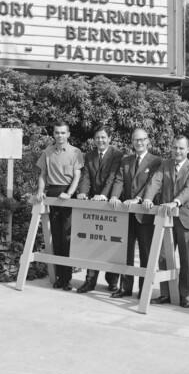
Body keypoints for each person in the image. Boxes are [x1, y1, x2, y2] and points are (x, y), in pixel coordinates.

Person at [142, 135, 189, 309]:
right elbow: (155, 182)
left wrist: (175, 202)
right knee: (163, 257)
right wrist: (148, 198)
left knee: (185, 260)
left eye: (181, 148)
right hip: (167, 217)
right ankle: (165, 294)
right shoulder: (165, 164)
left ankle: (183, 295)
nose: (177, 151)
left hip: (186, 218)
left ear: (188, 150)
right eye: (175, 147)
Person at [108, 128, 162, 299]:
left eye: (142, 139)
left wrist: (138, 199)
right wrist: (115, 196)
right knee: (125, 252)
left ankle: (143, 290)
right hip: (126, 214)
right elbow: (119, 180)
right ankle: (125, 287)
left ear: (148, 141)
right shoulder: (126, 160)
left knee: (146, 254)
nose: (139, 143)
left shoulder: (156, 161)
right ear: (132, 142)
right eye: (135, 140)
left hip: (144, 214)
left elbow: (152, 185)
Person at [35, 121, 83, 291]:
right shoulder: (47, 152)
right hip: (52, 194)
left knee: (68, 238)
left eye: (63, 133)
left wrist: (69, 193)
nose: (60, 136)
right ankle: (58, 278)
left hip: (68, 195)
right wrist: (41, 190)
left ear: (68, 134)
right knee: (56, 238)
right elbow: (43, 174)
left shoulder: (76, 152)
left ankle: (67, 279)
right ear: (53, 134)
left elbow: (77, 177)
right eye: (57, 133)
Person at [76, 125, 123, 294]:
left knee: (112, 244)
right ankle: (90, 281)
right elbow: (86, 176)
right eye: (97, 137)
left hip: (111, 203)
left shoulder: (117, 154)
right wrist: (82, 193)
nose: (100, 140)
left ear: (109, 138)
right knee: (92, 242)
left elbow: (113, 177)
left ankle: (112, 282)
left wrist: (104, 195)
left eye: (103, 137)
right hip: (94, 205)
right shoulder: (89, 155)